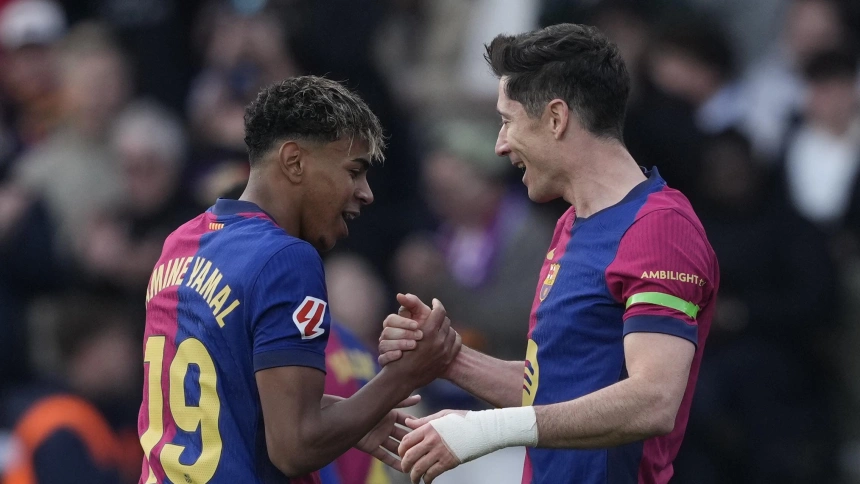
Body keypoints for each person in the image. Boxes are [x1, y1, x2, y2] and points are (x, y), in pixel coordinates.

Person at [378, 24, 720, 484]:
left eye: (507, 120)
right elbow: (556, 386)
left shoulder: (659, 229)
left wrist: (485, 427)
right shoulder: (569, 226)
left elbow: (653, 400)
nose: (500, 145)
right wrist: (449, 359)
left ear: (556, 118)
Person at [137, 76, 459, 483]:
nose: (366, 192)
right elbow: (295, 448)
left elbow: (228, 396)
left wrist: (351, 416)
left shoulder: (180, 243)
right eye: (354, 171)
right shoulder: (286, 258)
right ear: (294, 161)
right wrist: (407, 374)